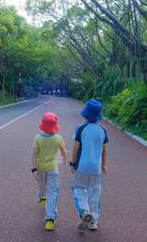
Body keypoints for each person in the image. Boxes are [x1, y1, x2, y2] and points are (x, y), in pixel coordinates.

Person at [69, 99, 108, 231]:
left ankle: (85, 211)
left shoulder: (80, 128)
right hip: (96, 168)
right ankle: (93, 222)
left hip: (82, 166)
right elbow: (104, 150)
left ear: (85, 114)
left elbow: (76, 147)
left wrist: (72, 162)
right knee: (95, 194)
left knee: (78, 188)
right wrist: (104, 165)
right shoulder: (103, 130)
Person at [32, 112, 67, 231]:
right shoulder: (58, 138)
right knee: (53, 192)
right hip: (53, 168)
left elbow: (34, 154)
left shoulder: (37, 138)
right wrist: (64, 160)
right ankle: (50, 219)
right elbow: (62, 151)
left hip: (41, 167)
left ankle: (42, 198)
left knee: (42, 184)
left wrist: (34, 168)